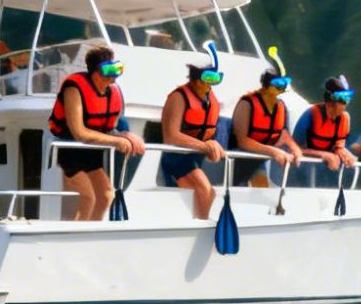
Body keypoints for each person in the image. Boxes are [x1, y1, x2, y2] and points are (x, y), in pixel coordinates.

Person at [46, 46, 144, 221]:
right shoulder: (74, 89)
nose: (113, 76)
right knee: (88, 197)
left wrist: (126, 135)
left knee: (107, 196)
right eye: (109, 70)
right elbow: (79, 133)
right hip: (69, 149)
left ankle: (91, 231)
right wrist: (116, 141)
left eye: (117, 69)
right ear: (94, 72)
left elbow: (108, 129)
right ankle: (76, 235)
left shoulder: (112, 93)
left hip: (91, 151)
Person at [158, 56, 225, 220]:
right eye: (207, 79)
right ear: (195, 80)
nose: (210, 85)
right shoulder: (178, 97)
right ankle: (201, 227)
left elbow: (210, 132)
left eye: (215, 79)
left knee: (210, 192)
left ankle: (200, 223)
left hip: (196, 158)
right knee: (205, 189)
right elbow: (171, 136)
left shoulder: (209, 100)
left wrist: (212, 145)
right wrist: (205, 147)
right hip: (176, 158)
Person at [231, 67, 301, 188]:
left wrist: (294, 148)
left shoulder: (281, 106)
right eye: (278, 83)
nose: (282, 87)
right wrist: (273, 151)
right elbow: (242, 141)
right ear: (266, 85)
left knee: (262, 188)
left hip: (260, 159)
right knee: (241, 189)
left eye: (285, 83)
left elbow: (282, 133)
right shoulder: (247, 104)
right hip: (238, 159)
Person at [293, 75, 358, 180]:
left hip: (326, 169)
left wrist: (343, 153)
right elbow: (294, 149)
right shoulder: (310, 115)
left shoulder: (345, 118)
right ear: (330, 99)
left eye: (348, 97)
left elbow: (339, 146)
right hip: (302, 167)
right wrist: (323, 155)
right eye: (343, 98)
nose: (346, 103)